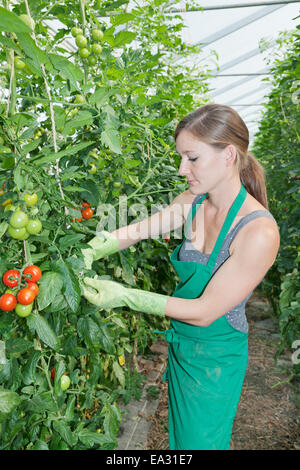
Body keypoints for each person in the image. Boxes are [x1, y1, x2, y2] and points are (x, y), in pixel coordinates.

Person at [81, 104, 280, 450]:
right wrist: (94, 248)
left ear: (228, 154)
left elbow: (205, 311)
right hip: (181, 347)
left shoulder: (258, 231)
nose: (180, 168)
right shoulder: (194, 200)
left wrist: (125, 295)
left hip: (215, 361)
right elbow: (143, 228)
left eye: (191, 158)